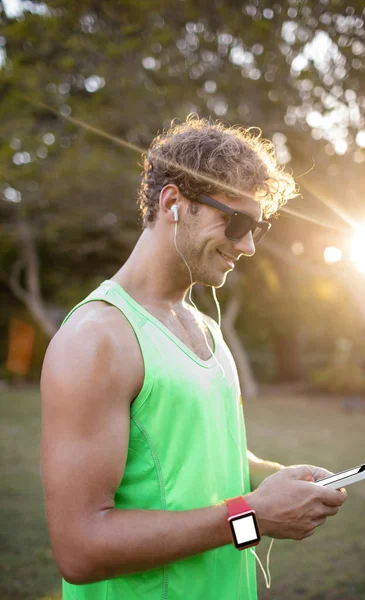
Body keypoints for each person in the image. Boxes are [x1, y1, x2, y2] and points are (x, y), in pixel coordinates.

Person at [40, 116, 347, 600]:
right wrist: (253, 515)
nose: (247, 246)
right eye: (237, 222)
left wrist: (275, 481)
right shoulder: (97, 337)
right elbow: (80, 550)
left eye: (257, 228)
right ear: (173, 204)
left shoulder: (203, 325)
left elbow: (197, 456)